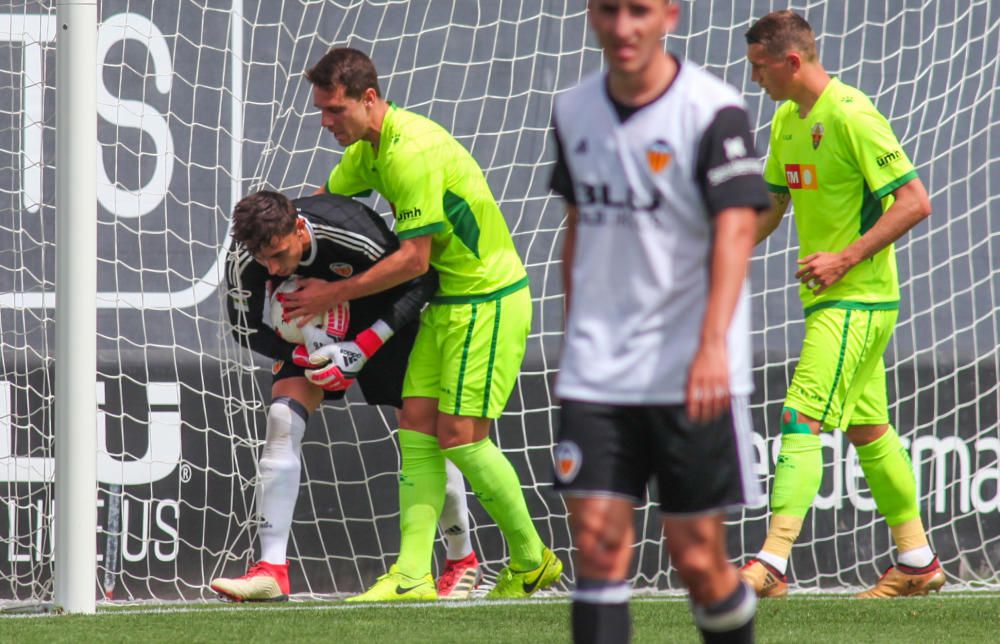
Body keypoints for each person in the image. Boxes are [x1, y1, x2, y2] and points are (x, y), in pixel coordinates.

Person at [280, 47, 562, 601]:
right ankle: (411, 575)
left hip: (488, 299)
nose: (325, 122)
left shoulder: (411, 151)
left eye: (335, 110)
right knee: (416, 427)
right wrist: (281, 236)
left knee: (460, 437)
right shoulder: (369, 149)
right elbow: (329, 201)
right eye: (321, 110)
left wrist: (332, 294)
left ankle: (532, 559)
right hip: (449, 304)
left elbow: (414, 261)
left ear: (368, 99)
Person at [549, 1, 769, 642]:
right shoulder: (572, 109)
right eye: (609, 11)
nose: (623, 27)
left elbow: (736, 230)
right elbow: (578, 224)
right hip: (597, 366)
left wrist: (710, 348)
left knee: (698, 560)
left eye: (639, 11)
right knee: (597, 548)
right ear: (592, 14)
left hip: (689, 367)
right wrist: (573, 338)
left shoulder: (713, 109)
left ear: (669, 14)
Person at [741, 10, 940, 599]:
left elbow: (914, 201)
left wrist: (844, 258)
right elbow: (772, 207)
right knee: (869, 430)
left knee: (801, 416)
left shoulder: (853, 115)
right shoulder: (784, 121)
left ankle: (771, 564)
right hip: (833, 299)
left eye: (760, 67)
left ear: (792, 61)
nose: (754, 79)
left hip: (856, 298)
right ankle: (917, 559)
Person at [211, 190, 482, 601]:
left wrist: (364, 345)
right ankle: (271, 570)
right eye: (262, 258)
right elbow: (244, 327)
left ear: (299, 229)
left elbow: (422, 279)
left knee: (424, 439)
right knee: (282, 422)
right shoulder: (246, 255)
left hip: (382, 325)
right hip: (311, 333)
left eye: (280, 255)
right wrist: (302, 353)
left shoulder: (351, 230)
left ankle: (461, 562)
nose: (271, 268)